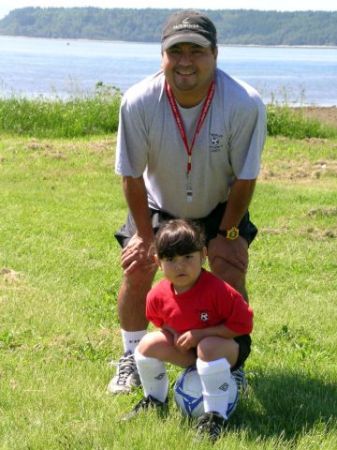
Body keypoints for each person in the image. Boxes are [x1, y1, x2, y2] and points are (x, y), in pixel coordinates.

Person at [108, 10, 266, 395]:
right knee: (137, 266)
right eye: (174, 51)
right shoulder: (138, 100)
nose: (184, 61)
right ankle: (132, 356)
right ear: (162, 55)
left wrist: (228, 232)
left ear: (215, 53)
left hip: (219, 205)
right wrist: (145, 238)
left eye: (195, 50)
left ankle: (232, 362)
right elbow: (131, 176)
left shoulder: (245, 102)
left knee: (228, 266)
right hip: (159, 203)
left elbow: (245, 177)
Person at [122, 219, 253, 442]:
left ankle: (215, 415)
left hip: (227, 347)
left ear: (203, 255)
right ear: (158, 262)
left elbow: (243, 325)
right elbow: (160, 321)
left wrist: (200, 334)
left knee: (207, 347)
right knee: (146, 345)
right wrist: (171, 332)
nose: (180, 266)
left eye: (188, 257)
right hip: (190, 348)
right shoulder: (157, 295)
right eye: (171, 259)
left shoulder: (218, 290)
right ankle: (154, 399)